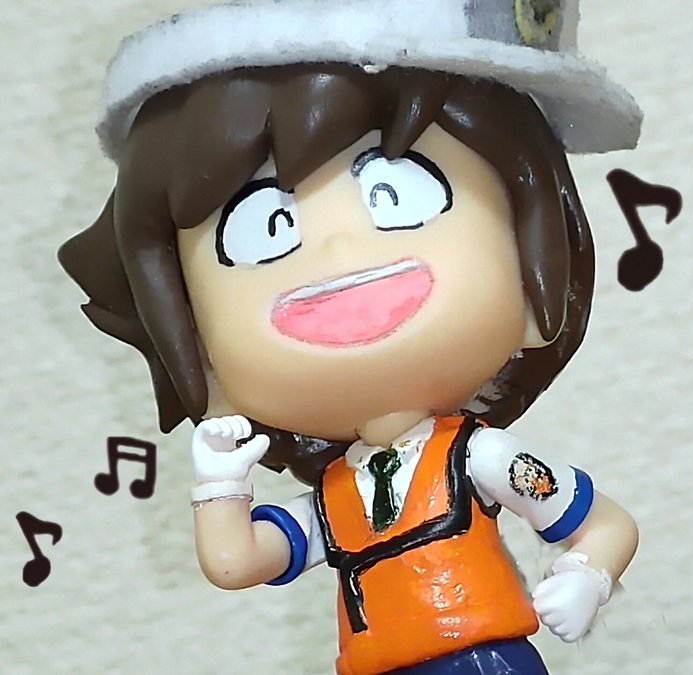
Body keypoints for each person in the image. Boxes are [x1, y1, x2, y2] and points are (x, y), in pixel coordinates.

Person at [59, 2, 641, 674]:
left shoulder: (479, 460)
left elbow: (606, 525)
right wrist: (220, 481)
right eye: (263, 229)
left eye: (397, 192)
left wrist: (587, 576)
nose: (336, 253)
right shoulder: (338, 499)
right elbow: (235, 561)